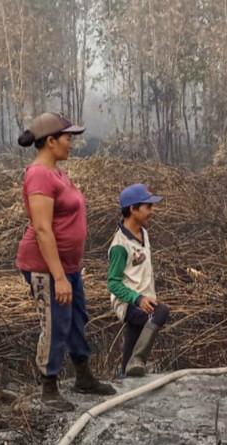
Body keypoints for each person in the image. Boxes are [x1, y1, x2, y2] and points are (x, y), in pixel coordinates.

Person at [16, 112, 115, 411]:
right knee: (56, 323)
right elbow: (43, 229)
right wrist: (58, 276)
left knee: (76, 321)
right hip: (46, 267)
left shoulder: (58, 172)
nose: (72, 144)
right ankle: (49, 388)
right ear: (50, 141)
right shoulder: (39, 175)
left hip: (68, 266)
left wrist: (67, 271)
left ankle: (83, 378)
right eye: (68, 138)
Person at [108, 183, 170, 377]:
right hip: (130, 303)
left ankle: (126, 373)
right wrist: (138, 299)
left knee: (129, 357)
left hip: (144, 300)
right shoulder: (120, 245)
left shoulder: (144, 234)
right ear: (133, 209)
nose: (152, 211)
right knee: (161, 311)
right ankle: (139, 359)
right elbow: (113, 283)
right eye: (148, 207)